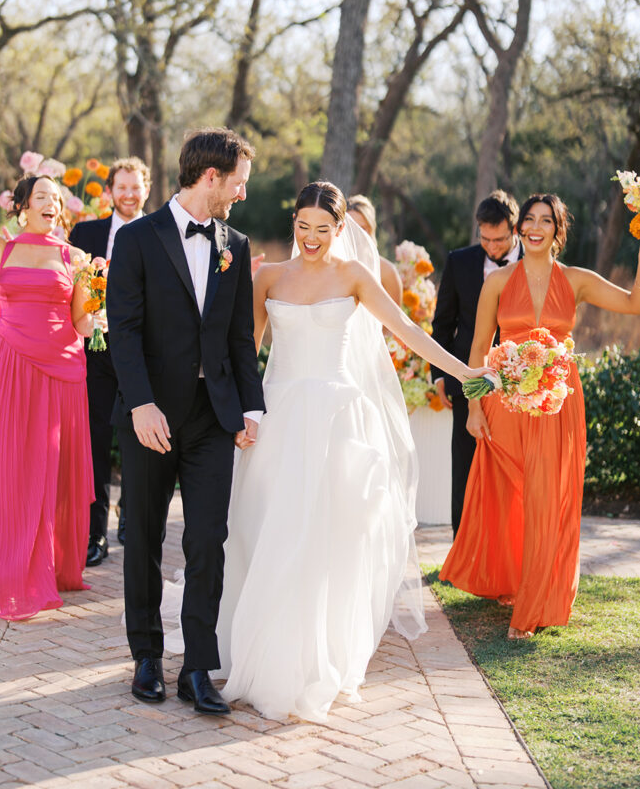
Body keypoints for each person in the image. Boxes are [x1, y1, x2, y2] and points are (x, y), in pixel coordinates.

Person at [214, 181, 494, 722]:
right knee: (267, 533)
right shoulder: (268, 277)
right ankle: (261, 648)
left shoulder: (354, 277)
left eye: (323, 228)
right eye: (303, 226)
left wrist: (463, 371)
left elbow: (407, 328)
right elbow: (244, 351)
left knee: (327, 540)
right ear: (293, 223)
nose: (312, 237)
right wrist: (238, 414)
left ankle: (317, 658)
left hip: (338, 420)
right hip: (280, 419)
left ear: (341, 229)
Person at [106, 127, 265, 715]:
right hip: (150, 414)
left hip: (212, 418)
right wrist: (142, 404)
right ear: (210, 178)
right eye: (238, 185)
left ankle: (198, 666)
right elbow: (121, 330)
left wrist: (251, 407)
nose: (241, 196)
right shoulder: (139, 238)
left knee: (208, 540)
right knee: (144, 535)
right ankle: (147, 657)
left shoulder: (236, 244)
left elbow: (240, 338)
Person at [440, 193, 640, 639]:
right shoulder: (497, 281)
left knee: (546, 498)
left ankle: (533, 606)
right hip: (505, 402)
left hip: (556, 405)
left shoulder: (577, 280)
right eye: (528, 220)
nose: (534, 227)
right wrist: (473, 407)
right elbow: (477, 349)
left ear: (558, 229)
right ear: (518, 228)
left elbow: (633, 303)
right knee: (511, 494)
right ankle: (513, 580)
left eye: (544, 221)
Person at [0, 111, 94, 620]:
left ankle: (52, 564)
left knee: (50, 470)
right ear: (23, 207)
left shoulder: (77, 259)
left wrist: (93, 305)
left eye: (56, 199)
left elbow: (81, 324)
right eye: (42, 198)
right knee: (11, 466)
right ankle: (7, 567)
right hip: (9, 366)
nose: (51, 204)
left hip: (60, 371)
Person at [70, 157, 151, 566]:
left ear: (146, 189)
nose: (129, 194)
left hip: (142, 356)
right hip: (97, 353)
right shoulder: (85, 233)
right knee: (96, 442)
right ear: (110, 191)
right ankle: (94, 532)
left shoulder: (159, 234)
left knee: (138, 443)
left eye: (135, 187)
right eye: (121, 187)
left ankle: (130, 518)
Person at [431, 190, 521, 536]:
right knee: (465, 467)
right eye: (485, 238)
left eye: (499, 240)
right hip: (465, 379)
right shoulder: (460, 261)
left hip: (519, 381)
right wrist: (439, 376)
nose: (492, 247)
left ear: (514, 230)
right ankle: (461, 551)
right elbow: (443, 322)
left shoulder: (535, 262)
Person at [346, 193, 403, 305]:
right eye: (350, 228)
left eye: (362, 229)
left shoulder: (387, 273)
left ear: (371, 230)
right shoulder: (332, 267)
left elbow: (391, 322)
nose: (356, 235)